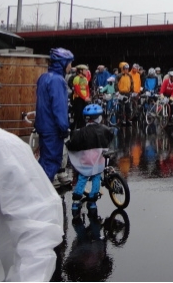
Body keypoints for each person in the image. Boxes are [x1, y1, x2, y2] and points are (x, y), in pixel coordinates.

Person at [0, 49, 64, 281]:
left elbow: (36, 232)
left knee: (47, 165)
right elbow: (38, 230)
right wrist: (61, 125)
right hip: (49, 129)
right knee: (48, 164)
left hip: (44, 127)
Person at [66, 104, 114, 219]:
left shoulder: (81, 132)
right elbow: (110, 136)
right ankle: (92, 202)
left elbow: (73, 144)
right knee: (96, 178)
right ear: (99, 117)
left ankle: (76, 203)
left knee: (82, 179)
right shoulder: (105, 130)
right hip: (99, 161)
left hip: (86, 161)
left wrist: (68, 144)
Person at [36, 47, 74, 182]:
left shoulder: (43, 78)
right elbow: (59, 108)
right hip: (53, 129)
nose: (70, 66)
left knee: (44, 161)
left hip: (43, 126)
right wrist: (64, 128)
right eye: (69, 63)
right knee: (51, 163)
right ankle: (40, 195)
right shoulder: (58, 81)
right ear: (62, 63)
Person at [72, 64, 91, 130]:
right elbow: (77, 90)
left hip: (85, 99)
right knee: (78, 115)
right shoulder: (76, 78)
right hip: (78, 99)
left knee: (84, 115)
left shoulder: (85, 79)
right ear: (80, 71)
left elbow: (87, 89)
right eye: (85, 70)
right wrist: (84, 97)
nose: (86, 71)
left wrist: (87, 96)